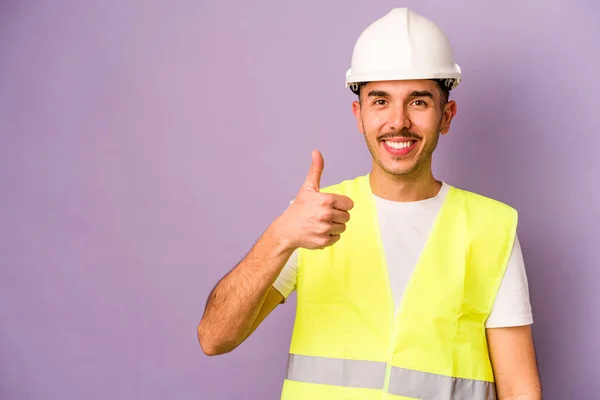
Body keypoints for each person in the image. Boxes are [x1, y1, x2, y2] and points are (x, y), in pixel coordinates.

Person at [198, 8, 542, 400]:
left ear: (446, 116)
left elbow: (518, 388)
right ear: (358, 115)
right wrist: (280, 236)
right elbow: (214, 338)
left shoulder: (491, 228)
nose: (398, 122)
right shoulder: (314, 217)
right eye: (380, 101)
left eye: (418, 102)